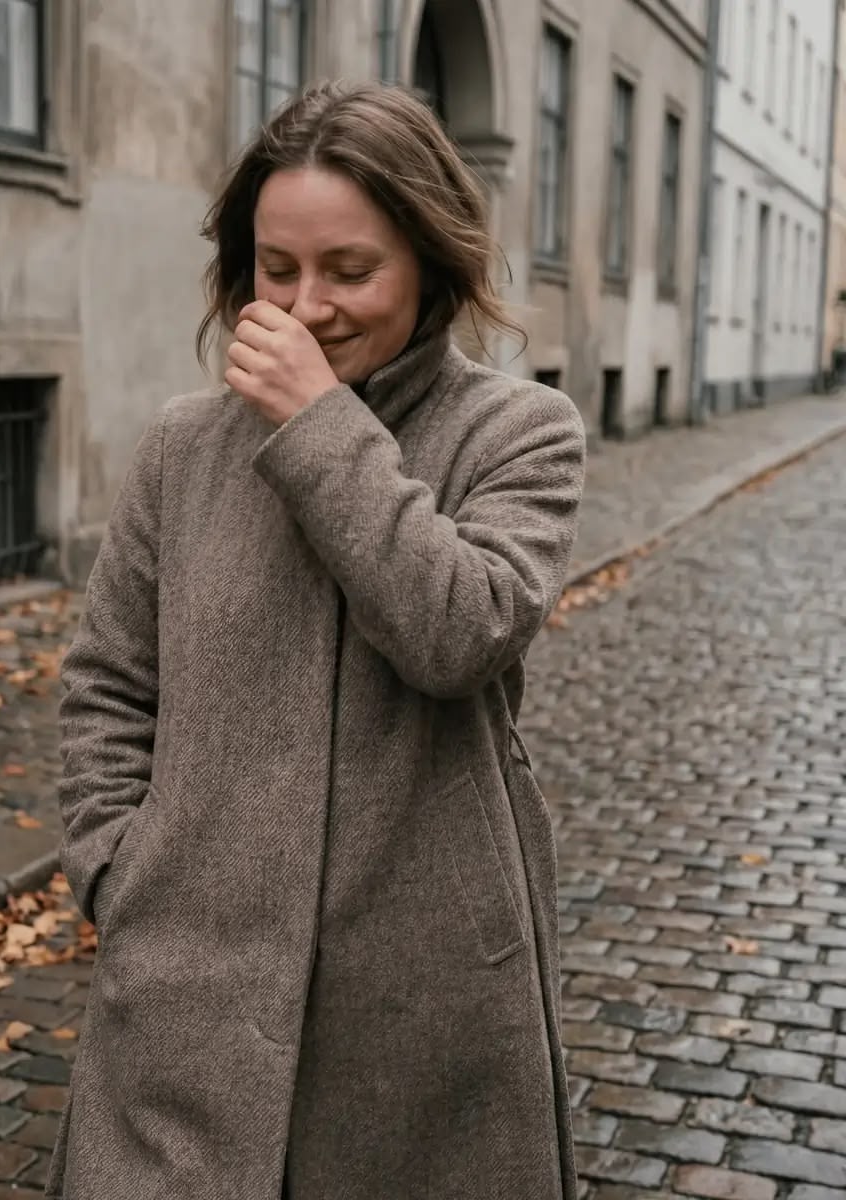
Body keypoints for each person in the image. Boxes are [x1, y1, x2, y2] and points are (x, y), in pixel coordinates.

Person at [45, 79, 586, 1200]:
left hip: (422, 1018)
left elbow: (461, 629)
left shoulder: (520, 433)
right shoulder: (180, 450)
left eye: (350, 270)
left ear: (430, 264)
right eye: (275, 268)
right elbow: (105, 690)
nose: (304, 305)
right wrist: (118, 874)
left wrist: (318, 425)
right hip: (183, 999)